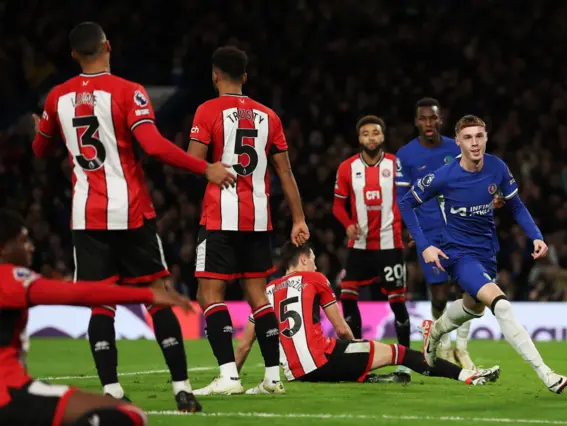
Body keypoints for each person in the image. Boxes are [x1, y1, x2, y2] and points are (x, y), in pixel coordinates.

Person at [29, 22, 230, 409]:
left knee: (100, 304)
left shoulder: (57, 97)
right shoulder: (128, 91)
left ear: (73, 55)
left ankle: (111, 391)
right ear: (108, 46)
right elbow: (152, 146)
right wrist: (204, 168)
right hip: (131, 212)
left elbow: (40, 151)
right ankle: (182, 389)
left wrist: (40, 130)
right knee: (158, 297)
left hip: (87, 218)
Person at [398, 115, 567, 394]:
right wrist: (424, 245)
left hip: (486, 251)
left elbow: (516, 205)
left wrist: (536, 235)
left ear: (486, 137)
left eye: (479, 136)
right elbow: (407, 203)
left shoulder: (497, 167)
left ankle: (435, 331)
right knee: (501, 305)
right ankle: (547, 374)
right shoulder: (444, 175)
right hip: (458, 253)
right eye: (468, 137)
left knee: (473, 308)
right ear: (458, 142)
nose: (474, 143)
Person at [187, 46, 309, 396]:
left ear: (214, 75)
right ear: (245, 76)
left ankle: (228, 376)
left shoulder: (208, 110)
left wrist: (206, 165)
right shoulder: (269, 116)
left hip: (219, 217)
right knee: (258, 296)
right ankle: (272, 378)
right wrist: (298, 218)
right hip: (259, 219)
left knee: (209, 293)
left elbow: (194, 160)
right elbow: (285, 171)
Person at [0, 208, 196, 426]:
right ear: (3, 248)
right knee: (130, 415)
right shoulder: (9, 279)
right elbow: (78, 293)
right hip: (9, 393)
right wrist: (148, 294)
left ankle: (111, 387)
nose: (31, 247)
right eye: (23, 240)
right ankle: (181, 386)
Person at [234, 243, 500, 386]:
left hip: (294, 373)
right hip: (321, 361)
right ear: (303, 260)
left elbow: (245, 344)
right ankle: (467, 376)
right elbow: (341, 330)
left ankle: (370, 375)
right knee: (399, 353)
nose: (315, 263)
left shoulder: (266, 290)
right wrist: (358, 346)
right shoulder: (314, 278)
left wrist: (233, 377)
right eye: (313, 258)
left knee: (361, 359)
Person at [395, 98, 472, 367]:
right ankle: (443, 344)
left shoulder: (455, 148)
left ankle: (462, 348)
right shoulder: (406, 155)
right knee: (439, 295)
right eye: (423, 118)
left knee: (468, 286)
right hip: (428, 232)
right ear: (417, 121)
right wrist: (410, 229)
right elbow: (402, 196)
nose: (429, 123)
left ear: (440, 119)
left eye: (433, 118)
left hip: (460, 228)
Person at [332, 115, 410, 376]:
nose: (371, 138)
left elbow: (409, 201)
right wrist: (347, 224)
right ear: (359, 138)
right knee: (347, 296)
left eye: (375, 133)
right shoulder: (347, 168)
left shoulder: (397, 165)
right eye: (365, 134)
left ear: (383, 136)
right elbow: (337, 206)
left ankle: (405, 363)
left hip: (390, 244)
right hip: (360, 246)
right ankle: (358, 357)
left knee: (397, 303)